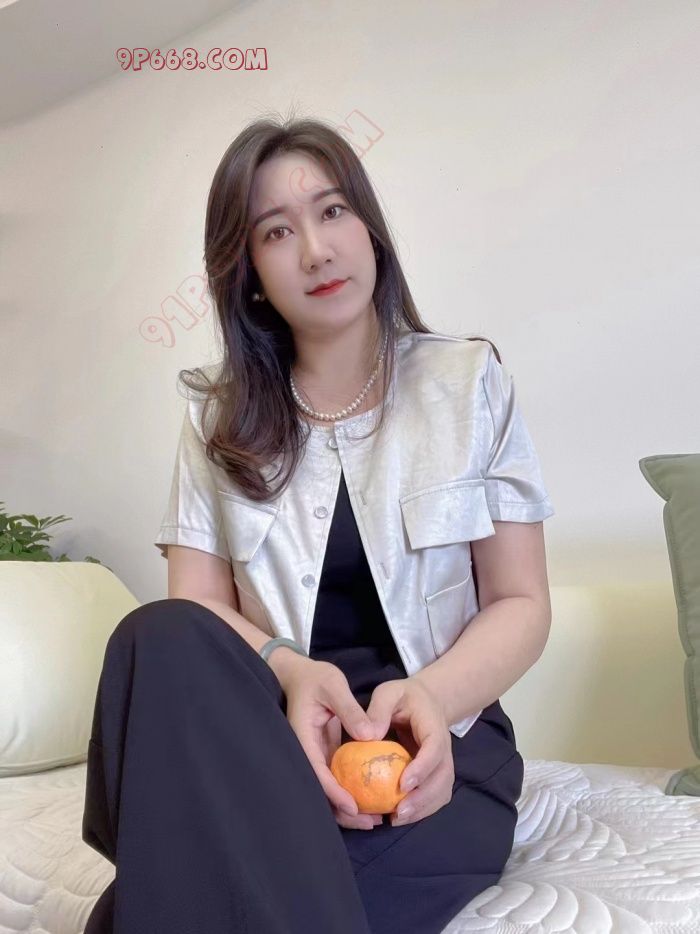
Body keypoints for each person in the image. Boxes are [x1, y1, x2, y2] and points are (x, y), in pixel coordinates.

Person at [81, 113, 555, 934]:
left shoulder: (468, 380)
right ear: (250, 274)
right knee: (154, 634)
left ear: (369, 228)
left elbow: (522, 601)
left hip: (433, 753)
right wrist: (291, 672)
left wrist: (431, 698)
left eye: (333, 211)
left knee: (174, 908)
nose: (315, 250)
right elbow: (198, 611)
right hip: (271, 748)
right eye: (276, 231)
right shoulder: (216, 416)